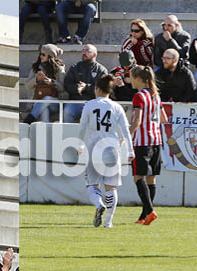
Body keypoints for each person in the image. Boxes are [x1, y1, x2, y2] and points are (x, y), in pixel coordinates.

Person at [80, 75, 133, 229]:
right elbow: (125, 130)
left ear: (97, 89)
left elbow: (82, 128)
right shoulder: (116, 107)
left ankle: (98, 204)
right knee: (111, 187)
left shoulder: (89, 105)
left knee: (92, 184)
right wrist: (130, 150)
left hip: (94, 149)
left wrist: (80, 145)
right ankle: (108, 222)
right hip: (111, 150)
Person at [128, 66, 167, 225]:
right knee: (151, 179)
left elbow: (137, 121)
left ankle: (150, 211)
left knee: (138, 177)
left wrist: (127, 136)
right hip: (156, 140)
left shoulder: (139, 96)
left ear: (138, 79)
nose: (130, 80)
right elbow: (164, 118)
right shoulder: (155, 95)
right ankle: (144, 216)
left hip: (142, 142)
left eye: (131, 77)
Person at [63, 44, 109, 123]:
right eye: (83, 50)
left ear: (94, 54)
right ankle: (67, 135)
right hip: (76, 101)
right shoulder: (75, 68)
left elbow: (103, 90)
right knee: (67, 111)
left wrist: (86, 87)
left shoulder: (101, 70)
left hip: (94, 102)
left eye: (87, 51)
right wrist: (77, 88)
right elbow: (67, 84)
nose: (84, 53)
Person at [25, 44, 66, 124]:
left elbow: (63, 87)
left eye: (43, 54)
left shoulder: (59, 69)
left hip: (55, 102)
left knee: (46, 99)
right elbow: (27, 86)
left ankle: (29, 119)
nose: (41, 56)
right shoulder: (36, 67)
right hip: (38, 100)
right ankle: (45, 133)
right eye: (40, 54)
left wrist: (53, 82)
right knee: (44, 109)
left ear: (50, 56)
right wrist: (36, 79)